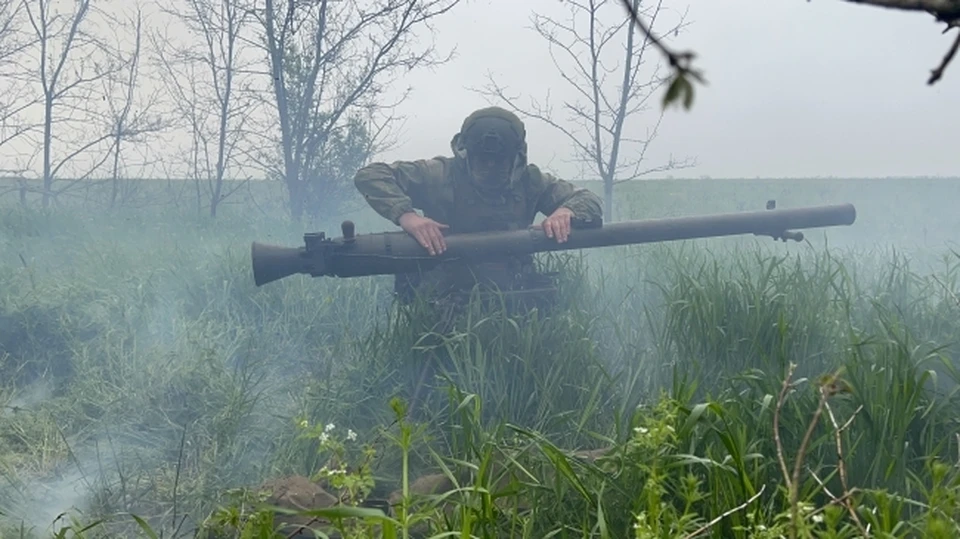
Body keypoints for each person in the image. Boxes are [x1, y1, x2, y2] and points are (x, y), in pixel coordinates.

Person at [353, 105, 603, 312]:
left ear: (515, 158)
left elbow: (586, 198)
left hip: (513, 292)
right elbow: (371, 175)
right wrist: (407, 217)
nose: (490, 167)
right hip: (442, 294)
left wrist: (566, 212)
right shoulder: (438, 174)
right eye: (482, 159)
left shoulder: (531, 181)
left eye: (499, 160)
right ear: (466, 153)